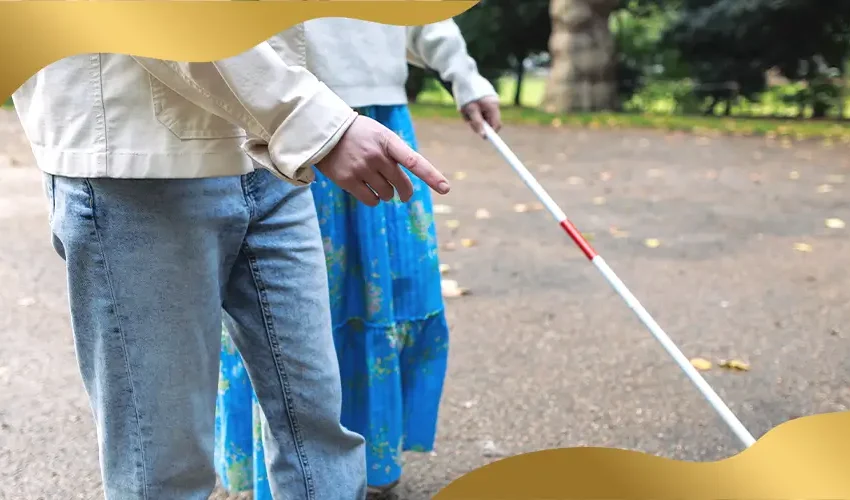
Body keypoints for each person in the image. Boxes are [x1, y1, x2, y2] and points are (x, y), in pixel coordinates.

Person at [11, 30, 451, 500]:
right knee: (163, 465)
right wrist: (311, 120)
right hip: (136, 162)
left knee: (318, 431)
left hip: (267, 155)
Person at [214, 18, 502, 499]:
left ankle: (371, 458)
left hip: (379, 114)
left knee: (388, 291)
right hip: (284, 113)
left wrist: (462, 73)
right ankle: (285, 470)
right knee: (287, 311)